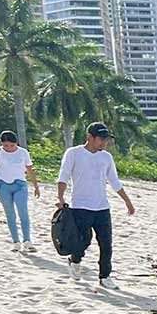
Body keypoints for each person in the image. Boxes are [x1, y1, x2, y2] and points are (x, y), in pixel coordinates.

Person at [56, 122, 135, 288]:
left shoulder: (106, 157)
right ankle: (74, 261)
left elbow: (114, 181)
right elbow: (63, 176)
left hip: (102, 207)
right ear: (89, 137)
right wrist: (61, 198)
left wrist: (127, 201)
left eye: (106, 139)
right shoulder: (73, 153)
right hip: (80, 206)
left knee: (106, 244)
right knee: (83, 241)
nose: (104, 143)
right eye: (101, 139)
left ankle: (105, 276)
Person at [0, 129, 40, 251]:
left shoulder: (23, 152)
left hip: (20, 185)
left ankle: (27, 240)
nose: (9, 148)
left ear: (16, 143)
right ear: (1, 143)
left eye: (12, 145)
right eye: (6, 145)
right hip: (2, 185)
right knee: (10, 214)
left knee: (23, 212)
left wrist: (36, 186)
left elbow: (30, 170)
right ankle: (16, 241)